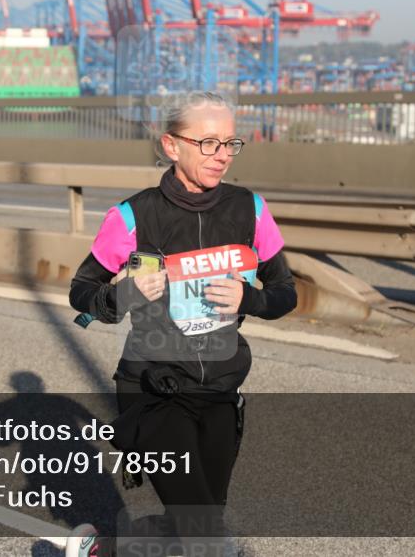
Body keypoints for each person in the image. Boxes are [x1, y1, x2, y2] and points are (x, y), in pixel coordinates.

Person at [68, 92, 297, 556]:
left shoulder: (250, 211)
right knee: (206, 534)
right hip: (154, 388)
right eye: (208, 143)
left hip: (219, 390)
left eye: (230, 143)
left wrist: (249, 298)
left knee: (195, 524)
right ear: (171, 146)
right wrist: (126, 293)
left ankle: (100, 551)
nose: (222, 155)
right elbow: (82, 296)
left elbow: (285, 293)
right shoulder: (133, 217)